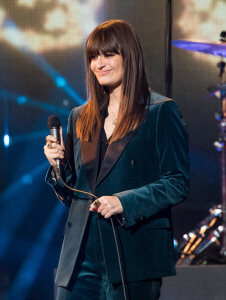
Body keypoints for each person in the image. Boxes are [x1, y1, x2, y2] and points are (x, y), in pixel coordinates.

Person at [44, 19, 189, 300]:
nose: (99, 63)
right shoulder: (79, 116)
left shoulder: (160, 112)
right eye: (93, 57)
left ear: (129, 56)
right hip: (80, 259)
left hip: (133, 254)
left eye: (108, 54)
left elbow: (177, 182)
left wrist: (125, 201)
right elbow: (73, 193)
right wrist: (56, 167)